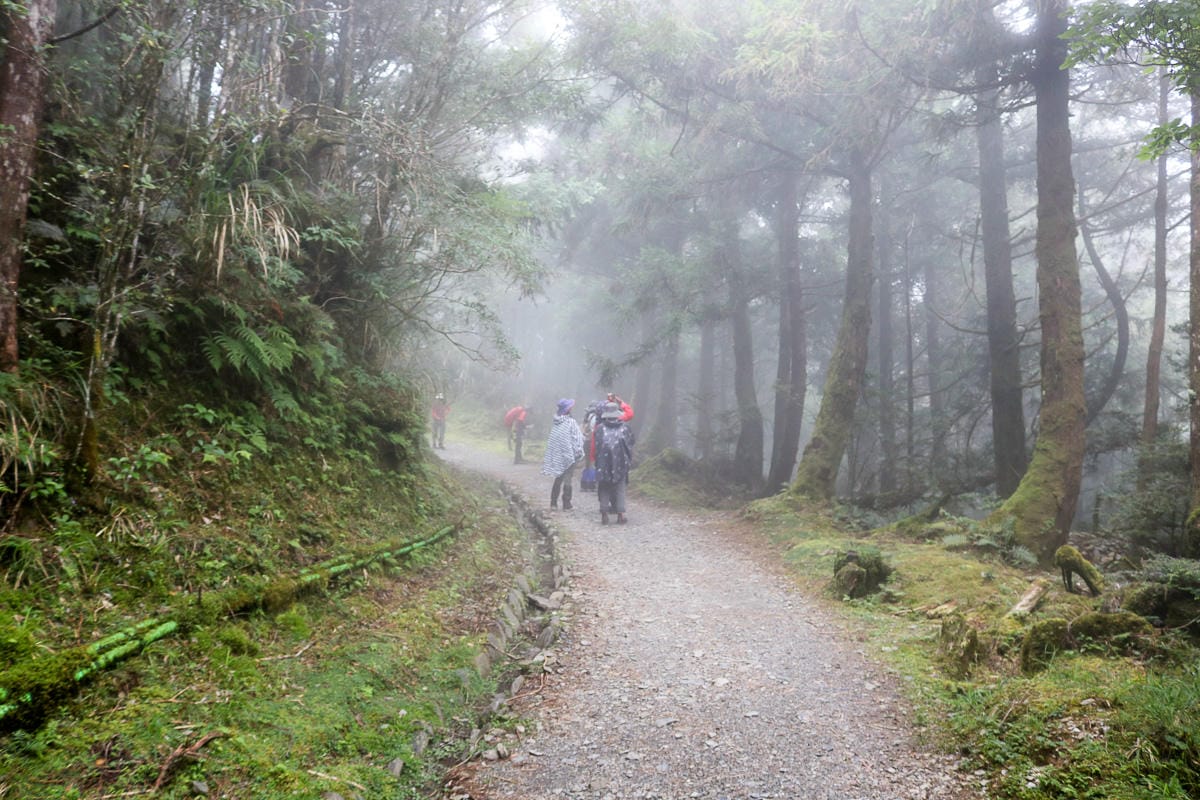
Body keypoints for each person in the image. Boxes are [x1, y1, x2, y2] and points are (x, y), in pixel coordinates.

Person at [593, 400, 635, 525]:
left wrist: (597, 460)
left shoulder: (600, 428)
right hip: (621, 462)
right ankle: (620, 515)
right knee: (620, 487)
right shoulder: (625, 427)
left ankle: (604, 515)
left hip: (603, 462)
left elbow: (597, 445)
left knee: (604, 487)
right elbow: (631, 442)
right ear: (617, 414)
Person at [541, 398, 584, 510]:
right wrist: (579, 451)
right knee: (568, 478)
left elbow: (553, 439)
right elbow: (577, 439)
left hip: (558, 455)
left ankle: (553, 503)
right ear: (568, 410)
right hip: (569, 454)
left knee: (558, 477)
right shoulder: (571, 422)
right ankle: (566, 503)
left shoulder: (556, 422)